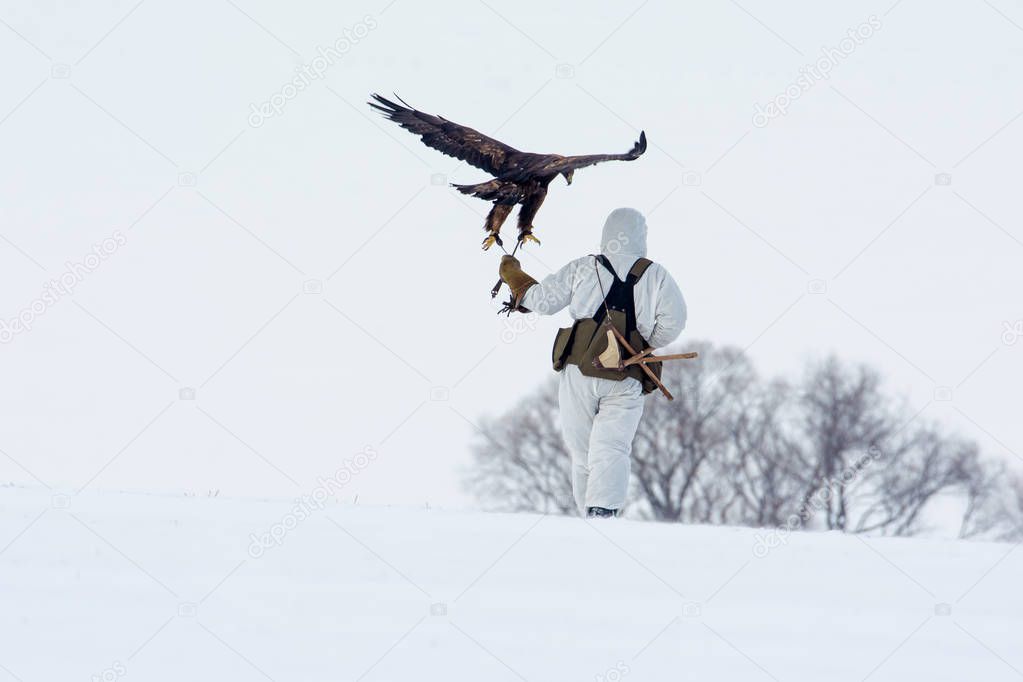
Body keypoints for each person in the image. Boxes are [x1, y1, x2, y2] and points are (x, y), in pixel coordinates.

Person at [498, 207, 687, 518]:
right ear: (642, 236)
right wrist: (644, 342)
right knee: (612, 446)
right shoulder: (656, 274)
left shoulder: (584, 267)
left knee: (582, 450)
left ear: (606, 234)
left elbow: (542, 302)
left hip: (578, 370)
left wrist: (514, 277)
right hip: (626, 374)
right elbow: (675, 322)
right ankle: (603, 512)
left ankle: (588, 518)